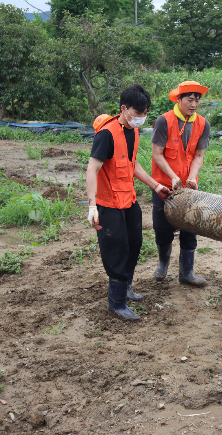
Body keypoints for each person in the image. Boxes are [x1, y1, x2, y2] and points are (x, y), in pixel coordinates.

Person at [86, 84, 171, 321]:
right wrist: (92, 205)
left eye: (145, 113)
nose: (142, 118)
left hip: (128, 201)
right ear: (124, 108)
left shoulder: (132, 132)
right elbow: (92, 170)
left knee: (134, 243)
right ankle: (116, 302)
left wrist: (156, 186)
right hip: (108, 204)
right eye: (138, 112)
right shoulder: (107, 134)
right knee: (117, 250)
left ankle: (127, 288)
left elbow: (132, 164)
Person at [150, 81, 212, 287]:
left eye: (197, 100)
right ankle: (163, 263)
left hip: (188, 187)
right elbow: (157, 155)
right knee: (163, 229)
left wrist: (192, 178)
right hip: (164, 185)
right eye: (189, 99)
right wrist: (173, 177)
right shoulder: (163, 121)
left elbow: (199, 156)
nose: (194, 104)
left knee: (190, 228)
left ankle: (187, 272)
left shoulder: (203, 124)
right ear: (179, 99)